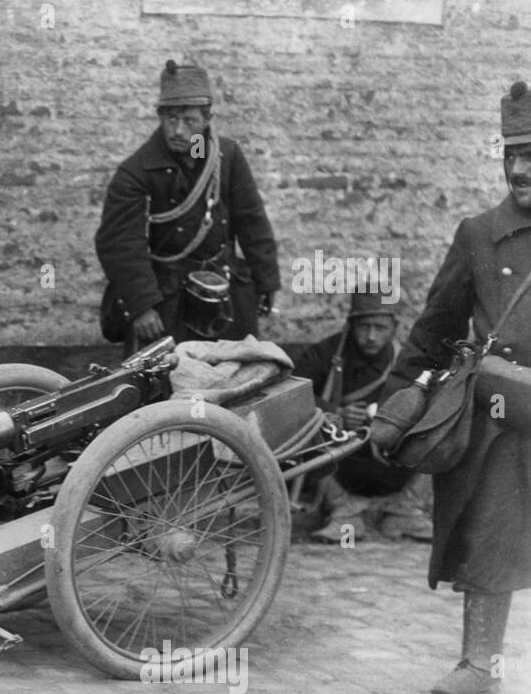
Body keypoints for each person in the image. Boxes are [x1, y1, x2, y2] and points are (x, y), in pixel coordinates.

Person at [381, 80, 531, 694]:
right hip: (500, 421)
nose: (518, 167)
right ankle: (479, 663)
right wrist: (396, 406)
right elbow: (435, 328)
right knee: (488, 535)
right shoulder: (479, 234)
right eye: (511, 154)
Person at [96, 60, 281, 351]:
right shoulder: (136, 173)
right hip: (166, 299)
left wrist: (266, 280)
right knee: (167, 385)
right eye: (170, 119)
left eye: (189, 120)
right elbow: (120, 246)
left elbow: (252, 222)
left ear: (207, 118)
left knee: (234, 376)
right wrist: (142, 306)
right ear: (160, 117)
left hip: (224, 291)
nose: (178, 130)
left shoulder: (225, 157)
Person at [286, 282, 433, 543]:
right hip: (339, 461)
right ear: (350, 325)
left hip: (392, 460)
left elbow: (431, 401)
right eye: (364, 327)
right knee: (308, 424)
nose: (372, 336)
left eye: (380, 328)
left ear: (394, 327)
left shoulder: (410, 360)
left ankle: (406, 510)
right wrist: (335, 412)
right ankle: (344, 511)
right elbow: (291, 394)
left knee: (444, 423)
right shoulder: (325, 354)